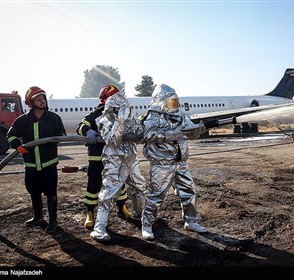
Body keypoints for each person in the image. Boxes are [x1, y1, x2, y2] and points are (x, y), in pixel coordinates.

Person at [140, 84, 207, 240]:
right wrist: (173, 134)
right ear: (161, 101)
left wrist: (197, 131)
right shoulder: (153, 116)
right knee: (157, 195)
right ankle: (147, 225)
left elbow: (189, 131)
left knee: (189, 191)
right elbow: (149, 135)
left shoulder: (180, 115)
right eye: (170, 102)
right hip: (162, 164)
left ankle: (191, 221)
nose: (174, 105)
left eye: (175, 102)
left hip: (181, 163)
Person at [90, 87, 147, 242]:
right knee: (109, 191)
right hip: (114, 159)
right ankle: (99, 227)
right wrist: (120, 120)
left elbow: (138, 133)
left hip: (131, 157)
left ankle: (139, 214)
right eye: (116, 101)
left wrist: (140, 124)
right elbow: (113, 141)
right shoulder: (102, 121)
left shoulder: (128, 115)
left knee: (140, 186)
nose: (121, 104)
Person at [7, 86, 66, 233]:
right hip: (31, 164)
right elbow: (11, 135)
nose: (42, 101)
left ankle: (53, 221)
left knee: (51, 192)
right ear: (30, 103)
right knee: (33, 190)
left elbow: (62, 134)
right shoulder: (22, 121)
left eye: (43, 99)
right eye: (38, 99)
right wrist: (17, 146)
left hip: (49, 164)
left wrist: (52, 140)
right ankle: (38, 216)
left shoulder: (54, 118)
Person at [76, 85, 132, 230]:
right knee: (93, 186)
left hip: (116, 157)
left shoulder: (121, 113)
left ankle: (122, 208)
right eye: (115, 98)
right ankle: (90, 213)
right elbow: (81, 126)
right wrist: (88, 131)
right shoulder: (96, 114)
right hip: (97, 158)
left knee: (119, 183)